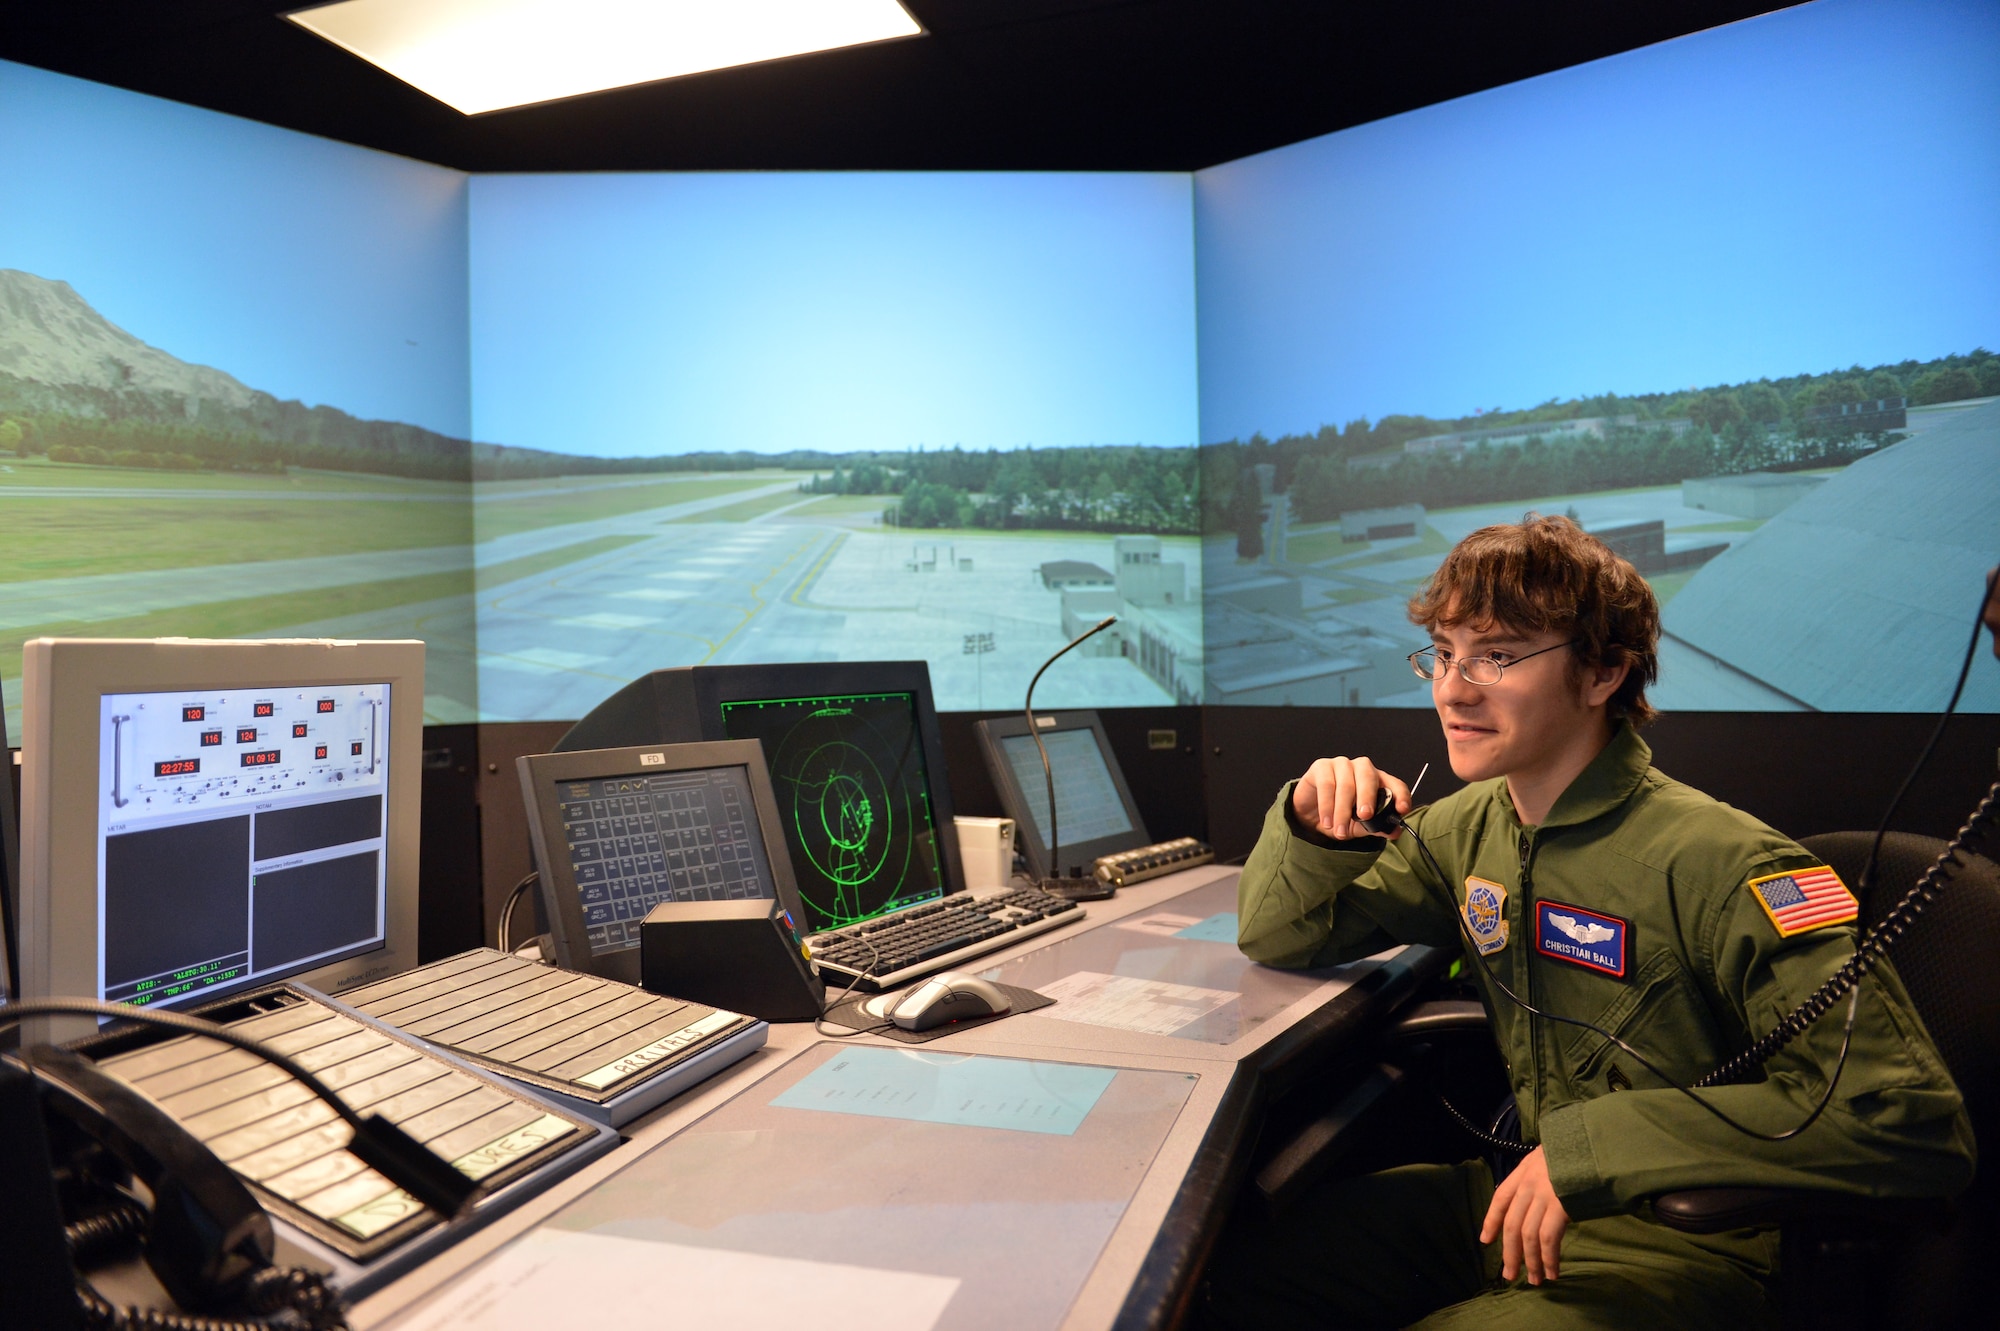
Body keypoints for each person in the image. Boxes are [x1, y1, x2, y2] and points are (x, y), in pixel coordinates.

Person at [1197, 515, 1975, 1330]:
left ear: (1604, 671)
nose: (1453, 689)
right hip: (1517, 1203)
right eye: (1444, 651)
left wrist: (1595, 1149)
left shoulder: (1729, 862)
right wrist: (1311, 827)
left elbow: (1913, 1124)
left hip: (1680, 1242)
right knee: (1221, 1280)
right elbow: (1282, 934)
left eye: (1496, 654)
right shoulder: (1471, 828)